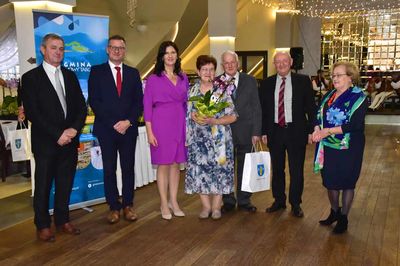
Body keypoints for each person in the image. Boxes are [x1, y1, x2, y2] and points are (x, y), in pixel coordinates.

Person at [21, 33, 87, 242]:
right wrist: (57, 134)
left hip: (69, 141)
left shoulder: (70, 76)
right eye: (53, 48)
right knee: (43, 186)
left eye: (61, 48)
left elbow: (80, 107)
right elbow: (33, 112)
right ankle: (42, 224)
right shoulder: (31, 78)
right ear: (43, 50)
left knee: (65, 183)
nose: (58, 52)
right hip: (46, 143)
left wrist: (74, 130)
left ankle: (62, 219)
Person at [88, 35, 143, 224]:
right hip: (107, 129)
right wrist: (115, 122)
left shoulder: (133, 73)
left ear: (125, 51)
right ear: (107, 49)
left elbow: (139, 102)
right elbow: (94, 101)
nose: (117, 50)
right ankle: (113, 206)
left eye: (121, 47)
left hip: (128, 129)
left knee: (128, 168)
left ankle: (128, 205)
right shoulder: (96, 72)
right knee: (109, 169)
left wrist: (128, 121)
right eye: (113, 47)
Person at [312, 61, 368, 234]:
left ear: (350, 77)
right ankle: (334, 212)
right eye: (333, 75)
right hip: (328, 146)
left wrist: (327, 131)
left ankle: (343, 217)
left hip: (349, 147)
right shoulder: (328, 95)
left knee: (347, 182)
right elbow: (318, 115)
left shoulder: (358, 97)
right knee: (330, 182)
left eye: (339, 75)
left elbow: (355, 125)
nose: (334, 79)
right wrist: (316, 129)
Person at [260, 51, 316, 218]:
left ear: (291, 62)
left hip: (296, 131)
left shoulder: (303, 81)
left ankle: (296, 203)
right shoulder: (267, 83)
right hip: (274, 131)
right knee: (277, 169)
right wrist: (263, 131)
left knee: (296, 170)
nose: (281, 64)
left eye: (284, 61)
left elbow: (311, 108)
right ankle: (279, 200)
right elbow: (263, 110)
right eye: (278, 62)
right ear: (274, 64)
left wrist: (312, 130)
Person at [185, 55, 237, 220]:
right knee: (200, 172)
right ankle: (206, 207)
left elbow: (233, 116)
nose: (208, 73)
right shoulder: (192, 91)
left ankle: (216, 207)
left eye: (211, 69)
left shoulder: (221, 90)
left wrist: (215, 120)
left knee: (219, 172)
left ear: (215, 71)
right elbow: (187, 113)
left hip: (219, 141)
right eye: (204, 69)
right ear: (198, 71)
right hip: (198, 140)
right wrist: (193, 115)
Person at [143, 41, 189, 220]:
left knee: (176, 164)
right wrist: (149, 131)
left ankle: (173, 201)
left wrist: (188, 129)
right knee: (163, 164)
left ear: (177, 56)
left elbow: (187, 104)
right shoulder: (153, 79)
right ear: (162, 56)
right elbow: (147, 106)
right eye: (166, 53)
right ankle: (163, 203)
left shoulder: (183, 77)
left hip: (180, 123)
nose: (170, 56)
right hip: (160, 124)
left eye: (173, 52)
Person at [220, 51, 262, 213]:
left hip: (247, 131)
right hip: (224, 133)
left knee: (246, 167)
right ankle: (228, 200)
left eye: (232, 62)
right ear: (223, 65)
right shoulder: (217, 82)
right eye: (226, 63)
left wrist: (256, 132)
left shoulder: (250, 81)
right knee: (226, 168)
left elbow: (257, 107)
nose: (230, 65)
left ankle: (244, 200)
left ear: (238, 64)